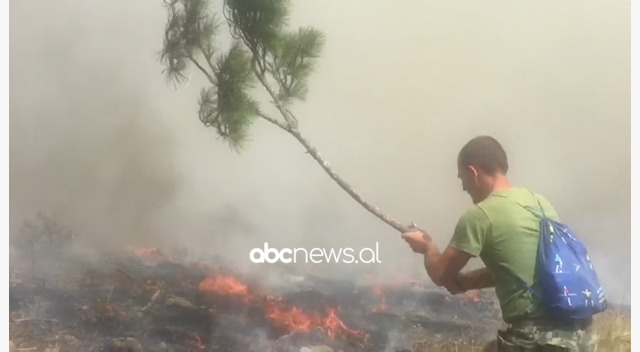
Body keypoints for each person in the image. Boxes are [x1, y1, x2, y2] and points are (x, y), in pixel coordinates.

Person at [401, 136, 597, 351]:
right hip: (581, 332)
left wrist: (427, 247)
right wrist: (467, 282)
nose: (464, 188)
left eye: (461, 179)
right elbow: (524, 266)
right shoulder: (539, 202)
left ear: (472, 172)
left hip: (534, 338)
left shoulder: (480, 215)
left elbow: (441, 274)